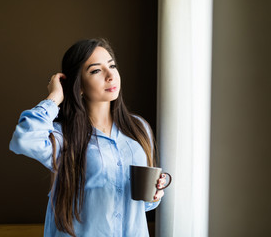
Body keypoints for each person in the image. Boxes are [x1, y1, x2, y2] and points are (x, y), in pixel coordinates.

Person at [9, 38, 167, 237]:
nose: (110, 76)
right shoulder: (63, 135)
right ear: (79, 85)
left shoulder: (138, 128)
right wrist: (55, 97)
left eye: (112, 66)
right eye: (96, 70)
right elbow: (24, 139)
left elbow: (142, 206)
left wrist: (154, 195)